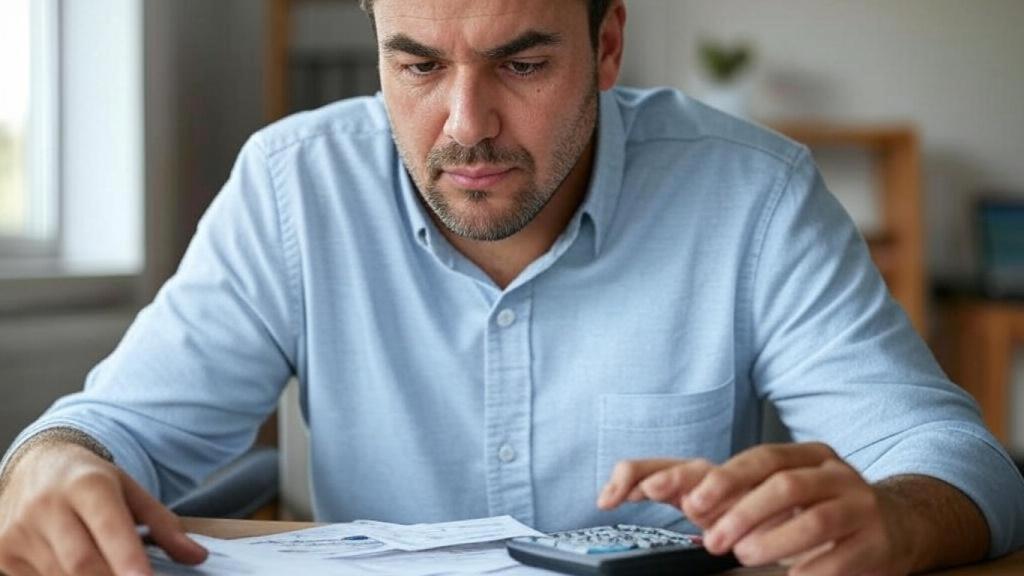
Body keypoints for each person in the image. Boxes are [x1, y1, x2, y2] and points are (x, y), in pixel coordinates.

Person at [1, 1, 1022, 575]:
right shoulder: (291, 184)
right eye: (415, 67)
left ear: (606, 45)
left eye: (521, 63)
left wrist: (893, 520)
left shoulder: (752, 195)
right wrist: (52, 463)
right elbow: (110, 429)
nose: (463, 124)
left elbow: (955, 461)